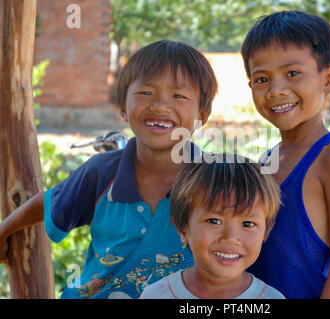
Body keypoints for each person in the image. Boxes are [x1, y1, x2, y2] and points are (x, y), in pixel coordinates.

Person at [0, 40, 218, 299]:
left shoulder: (215, 181)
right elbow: (48, 202)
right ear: (123, 107)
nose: (160, 105)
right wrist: (4, 229)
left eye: (179, 96)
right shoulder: (102, 173)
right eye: (146, 93)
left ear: (202, 114)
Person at [241, 11, 330, 299]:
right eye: (261, 79)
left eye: (292, 74)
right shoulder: (266, 162)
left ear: (329, 78)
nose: (275, 90)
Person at [140, 154, 285, 299]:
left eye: (248, 224)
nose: (230, 237)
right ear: (183, 228)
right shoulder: (156, 295)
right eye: (214, 221)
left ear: (266, 231)